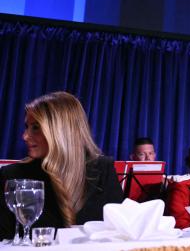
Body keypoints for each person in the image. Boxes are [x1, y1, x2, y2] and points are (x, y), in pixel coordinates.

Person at [0, 92, 123, 238]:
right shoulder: (12, 176)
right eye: (27, 127)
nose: (25, 136)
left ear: (62, 132)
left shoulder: (103, 169)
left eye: (36, 127)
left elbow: (119, 233)